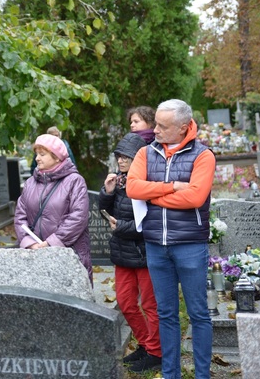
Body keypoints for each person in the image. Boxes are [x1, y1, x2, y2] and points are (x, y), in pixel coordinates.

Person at [126, 99, 216, 379]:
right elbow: (132, 187)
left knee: (199, 314)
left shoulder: (203, 156)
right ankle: (170, 374)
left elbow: (195, 197)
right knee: (166, 314)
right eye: (156, 125)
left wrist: (153, 195)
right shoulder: (145, 153)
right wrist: (172, 187)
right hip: (155, 246)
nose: (156, 131)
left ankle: (202, 375)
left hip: (190, 245)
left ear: (184, 128)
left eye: (163, 127)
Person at [98, 133, 161, 372]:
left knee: (150, 305)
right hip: (123, 252)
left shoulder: (147, 182)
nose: (121, 161)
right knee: (126, 303)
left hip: (144, 253)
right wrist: (107, 191)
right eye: (119, 156)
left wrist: (122, 227)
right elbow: (103, 208)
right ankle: (147, 345)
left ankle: (156, 352)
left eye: (126, 157)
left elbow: (150, 220)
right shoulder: (120, 181)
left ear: (139, 158)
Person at [14, 133, 92, 281]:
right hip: (35, 255)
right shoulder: (30, 183)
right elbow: (20, 216)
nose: (37, 158)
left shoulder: (75, 181)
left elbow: (78, 217)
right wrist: (29, 243)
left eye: (42, 154)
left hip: (69, 255)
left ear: (56, 157)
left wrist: (52, 243)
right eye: (36, 154)